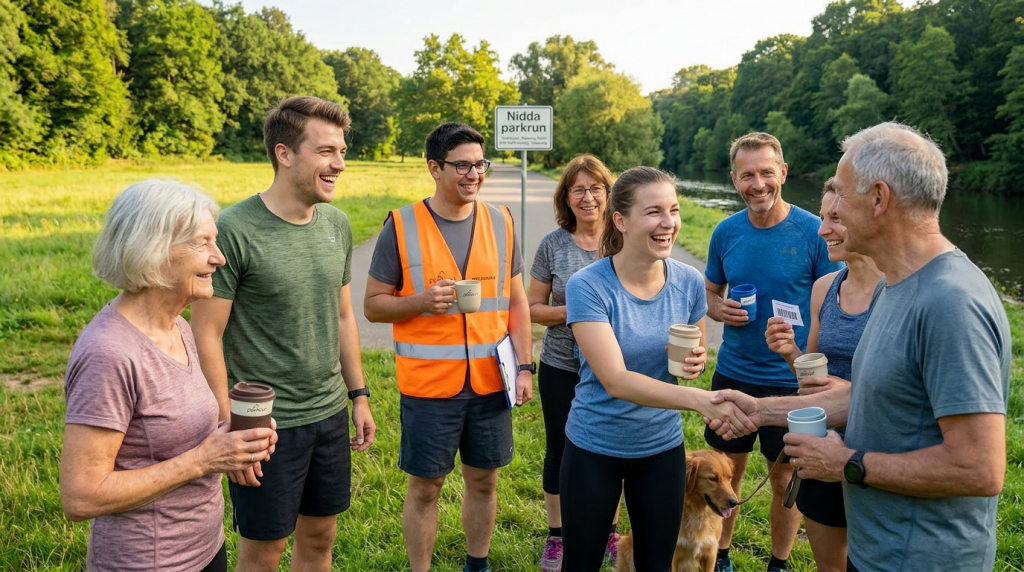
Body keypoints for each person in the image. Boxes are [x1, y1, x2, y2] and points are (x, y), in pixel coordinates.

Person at [711, 122, 1011, 572]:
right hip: (877, 551)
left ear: (879, 198)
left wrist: (847, 464)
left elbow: (979, 469)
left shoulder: (951, 301)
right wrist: (761, 411)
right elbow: (875, 394)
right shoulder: (897, 286)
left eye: (841, 196)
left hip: (923, 559)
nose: (825, 220)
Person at [191, 96, 376, 572]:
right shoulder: (233, 230)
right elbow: (207, 334)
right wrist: (230, 423)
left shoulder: (336, 224)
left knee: (320, 537)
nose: (339, 163)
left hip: (329, 413)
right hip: (265, 425)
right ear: (285, 153)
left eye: (342, 151)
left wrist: (358, 395)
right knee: (264, 551)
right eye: (325, 151)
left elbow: (342, 318)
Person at [59, 180, 276, 572]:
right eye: (202, 243)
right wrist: (203, 460)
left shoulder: (178, 327)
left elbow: (190, 438)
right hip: (147, 562)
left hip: (205, 549)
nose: (220, 258)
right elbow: (81, 497)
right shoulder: (109, 353)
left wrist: (234, 441)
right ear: (154, 251)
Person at [562, 166, 756, 572]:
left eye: (674, 209)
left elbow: (695, 355)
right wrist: (703, 401)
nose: (668, 223)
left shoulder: (687, 281)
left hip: (660, 449)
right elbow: (615, 380)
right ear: (621, 220)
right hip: (595, 446)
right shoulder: (588, 286)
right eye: (653, 212)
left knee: (656, 564)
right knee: (581, 563)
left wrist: (695, 363)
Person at [363, 122, 534, 572]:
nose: (473, 174)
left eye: (480, 164)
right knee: (426, 488)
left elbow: (517, 300)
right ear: (435, 168)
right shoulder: (401, 225)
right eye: (462, 165)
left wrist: (526, 366)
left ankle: (477, 565)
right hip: (429, 388)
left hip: (490, 381)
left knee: (485, 481)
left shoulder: (501, 221)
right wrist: (420, 302)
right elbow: (373, 307)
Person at [702, 132, 842, 572]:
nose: (758, 184)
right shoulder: (726, 232)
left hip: (790, 379)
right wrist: (718, 308)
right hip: (733, 373)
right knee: (727, 474)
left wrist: (798, 352)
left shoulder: (811, 233)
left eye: (766, 172)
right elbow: (710, 290)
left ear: (782, 172)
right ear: (734, 179)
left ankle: (777, 563)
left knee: (784, 476)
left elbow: (833, 307)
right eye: (747, 175)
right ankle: (721, 556)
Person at [762, 178, 883, 572]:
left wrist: (852, 392)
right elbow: (810, 375)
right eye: (822, 216)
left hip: (877, 457)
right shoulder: (824, 288)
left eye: (835, 217)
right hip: (820, 448)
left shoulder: (899, 290)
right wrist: (789, 352)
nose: (822, 229)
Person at [528, 153, 622, 572]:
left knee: (614, 446)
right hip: (562, 365)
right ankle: (557, 535)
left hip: (614, 365)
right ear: (566, 197)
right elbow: (533, 309)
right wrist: (579, 311)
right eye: (578, 189)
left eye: (596, 188)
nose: (588, 197)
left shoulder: (623, 240)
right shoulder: (554, 244)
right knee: (561, 449)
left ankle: (611, 532)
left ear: (609, 193)